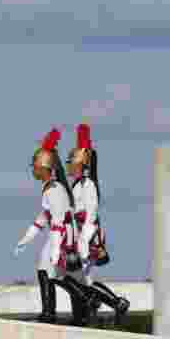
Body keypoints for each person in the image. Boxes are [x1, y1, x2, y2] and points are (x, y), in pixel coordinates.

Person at [14, 128, 89, 324]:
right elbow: (43, 217)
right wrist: (26, 238)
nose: (33, 170)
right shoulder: (50, 188)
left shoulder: (53, 190)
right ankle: (75, 305)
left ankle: (50, 312)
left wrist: (56, 248)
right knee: (55, 274)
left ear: (44, 169)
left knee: (46, 271)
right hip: (63, 235)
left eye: (35, 167)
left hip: (62, 237)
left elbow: (56, 220)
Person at [63, 123, 129, 324]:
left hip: (87, 236)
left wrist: (83, 242)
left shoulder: (88, 184)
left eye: (73, 164)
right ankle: (87, 313)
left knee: (76, 278)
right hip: (79, 235)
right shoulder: (76, 185)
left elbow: (90, 214)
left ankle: (113, 303)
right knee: (77, 279)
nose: (69, 168)